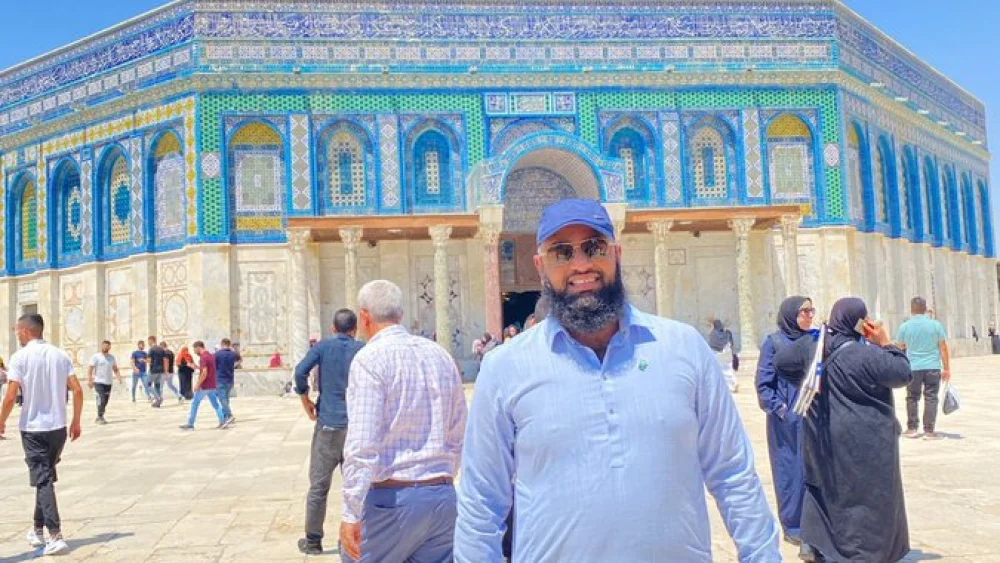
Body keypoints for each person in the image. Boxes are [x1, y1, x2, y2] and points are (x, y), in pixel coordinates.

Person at [455, 198, 780, 561]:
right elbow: (481, 501)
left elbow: (733, 474)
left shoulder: (682, 349)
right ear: (540, 266)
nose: (581, 265)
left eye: (594, 247)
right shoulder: (506, 368)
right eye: (562, 252)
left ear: (617, 253)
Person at [339, 280, 467, 563]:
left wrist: (350, 512)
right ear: (400, 314)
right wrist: (441, 477)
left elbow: (362, 446)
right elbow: (459, 430)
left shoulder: (370, 360)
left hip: (392, 502)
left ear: (365, 316)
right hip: (442, 497)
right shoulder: (440, 355)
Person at [800, 297, 912, 562]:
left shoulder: (817, 350)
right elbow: (902, 373)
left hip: (829, 436)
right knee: (869, 497)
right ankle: (865, 551)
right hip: (868, 439)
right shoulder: (868, 354)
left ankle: (824, 545)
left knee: (836, 491)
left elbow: (784, 361)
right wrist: (885, 342)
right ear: (860, 322)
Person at [0, 313, 83, 556]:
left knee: (43, 479)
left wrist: (1, 421)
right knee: (44, 475)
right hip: (58, 427)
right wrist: (76, 421)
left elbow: (10, 395)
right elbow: (77, 391)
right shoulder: (61, 355)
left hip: (33, 428)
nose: (17, 334)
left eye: (17, 330)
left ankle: (55, 535)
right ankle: (37, 530)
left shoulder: (19, 358)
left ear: (25, 331)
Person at [293, 309, 365, 556]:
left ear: (333, 328)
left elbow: (300, 371)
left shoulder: (323, 347)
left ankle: (313, 541)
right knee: (358, 484)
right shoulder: (362, 349)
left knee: (319, 485)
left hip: (328, 425)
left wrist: (305, 399)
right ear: (355, 329)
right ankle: (361, 537)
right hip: (355, 426)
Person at [754, 297, 815, 547]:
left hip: (814, 414)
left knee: (815, 469)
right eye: (804, 311)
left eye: (812, 310)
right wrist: (781, 410)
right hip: (787, 418)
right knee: (790, 470)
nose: (810, 315)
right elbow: (763, 383)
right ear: (791, 314)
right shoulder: (774, 342)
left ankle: (816, 523)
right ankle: (793, 525)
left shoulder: (815, 339)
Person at [895, 296, 950, 440]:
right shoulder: (935, 325)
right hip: (932, 366)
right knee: (931, 397)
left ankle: (912, 428)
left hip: (913, 366)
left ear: (912, 309)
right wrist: (947, 368)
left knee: (912, 397)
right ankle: (929, 431)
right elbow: (943, 347)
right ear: (925, 309)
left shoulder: (905, 326)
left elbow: (899, 346)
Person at [179, 341, 226, 431]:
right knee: (215, 404)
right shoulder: (210, 356)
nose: (194, 351)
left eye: (194, 349)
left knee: (195, 403)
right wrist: (196, 367)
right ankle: (222, 421)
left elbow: (204, 372)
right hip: (212, 384)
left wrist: (197, 384)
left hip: (205, 385)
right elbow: (207, 369)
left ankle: (190, 424)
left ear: (198, 348)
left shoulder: (203, 358)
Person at [87, 340, 122, 425]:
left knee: (105, 401)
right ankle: (99, 417)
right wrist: (90, 380)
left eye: (107, 346)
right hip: (99, 382)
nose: (106, 347)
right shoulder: (96, 357)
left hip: (108, 382)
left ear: (109, 347)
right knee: (101, 399)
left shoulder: (111, 357)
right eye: (104, 346)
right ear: (101, 346)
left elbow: (115, 368)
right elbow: (90, 369)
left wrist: (119, 376)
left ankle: (101, 414)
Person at [214, 338, 241, 428]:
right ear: (229, 344)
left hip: (220, 379)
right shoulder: (234, 353)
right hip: (230, 379)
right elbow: (240, 360)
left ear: (222, 344)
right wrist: (234, 365)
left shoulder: (217, 354)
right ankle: (225, 419)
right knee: (226, 399)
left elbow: (213, 366)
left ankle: (229, 415)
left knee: (222, 399)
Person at [707, 318, 739, 393]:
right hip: (727, 354)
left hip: (717, 355)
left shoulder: (713, 334)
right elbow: (731, 343)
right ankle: (734, 383)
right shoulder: (727, 333)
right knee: (729, 370)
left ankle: (728, 387)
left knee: (722, 372)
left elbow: (711, 344)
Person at [146, 336, 169, 408]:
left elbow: (149, 360)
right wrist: (165, 370)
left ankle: (158, 398)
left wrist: (143, 361)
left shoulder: (151, 349)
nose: (148, 343)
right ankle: (158, 403)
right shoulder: (161, 349)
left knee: (148, 385)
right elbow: (165, 360)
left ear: (151, 341)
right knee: (157, 385)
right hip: (161, 370)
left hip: (153, 370)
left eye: (149, 341)